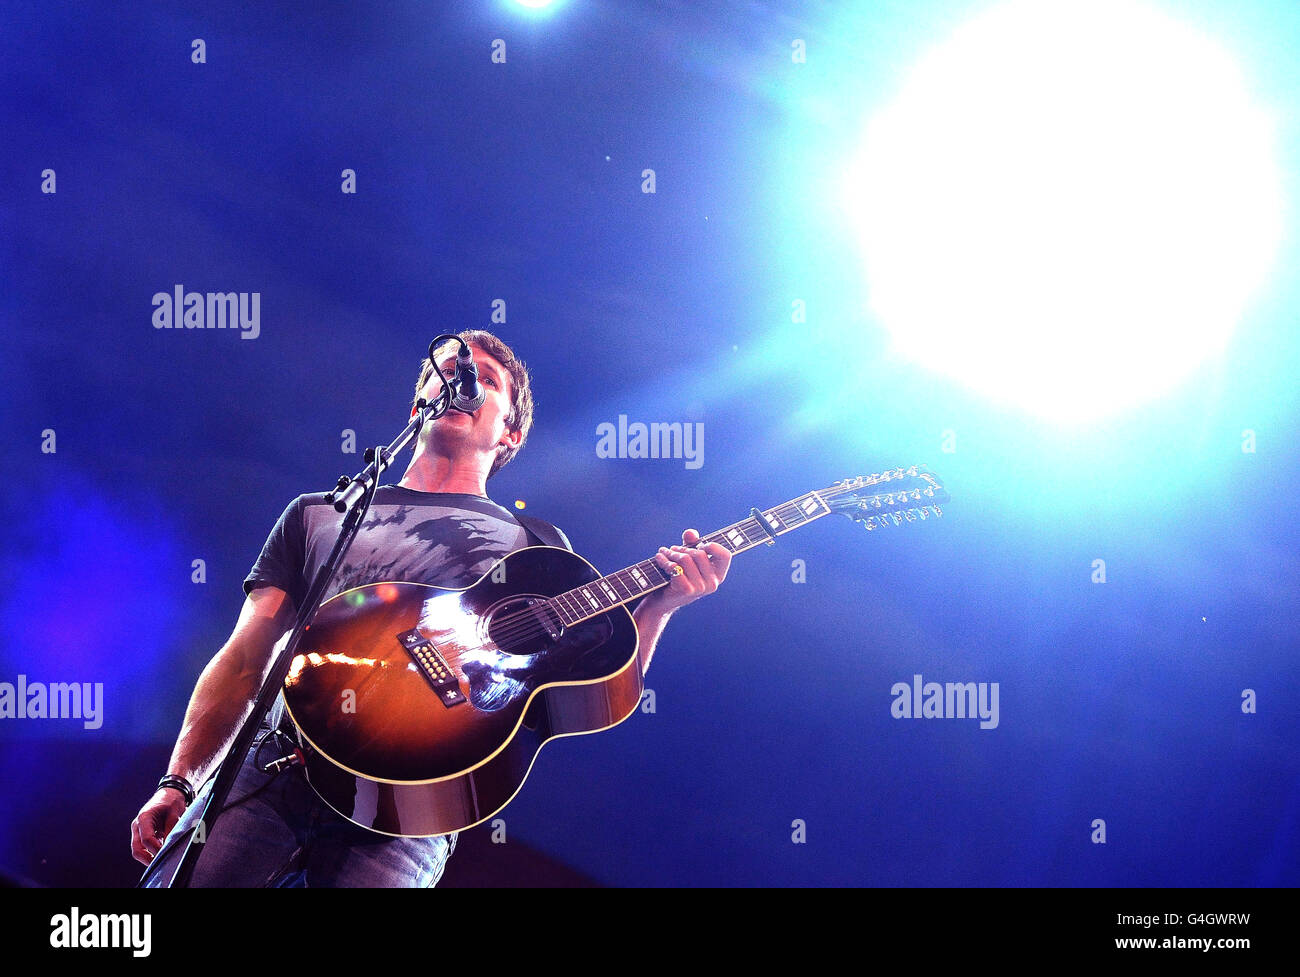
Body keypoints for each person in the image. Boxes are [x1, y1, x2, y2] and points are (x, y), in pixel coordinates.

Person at [131, 330, 731, 886]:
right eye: (447, 372)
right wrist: (180, 779)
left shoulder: (537, 549)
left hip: (411, 808)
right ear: (419, 401)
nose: (463, 379)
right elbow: (245, 657)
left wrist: (661, 608)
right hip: (266, 770)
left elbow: (580, 692)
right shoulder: (323, 514)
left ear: (511, 435)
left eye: (487, 380)